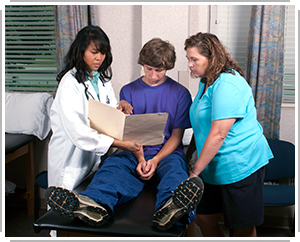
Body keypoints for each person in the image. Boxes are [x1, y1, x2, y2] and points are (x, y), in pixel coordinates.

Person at [46, 38, 204, 231]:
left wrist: (154, 161)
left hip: (167, 154)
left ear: (168, 67)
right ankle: (93, 204)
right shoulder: (128, 91)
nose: (153, 75)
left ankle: (170, 207)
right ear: (142, 65)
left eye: (160, 70)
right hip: (132, 151)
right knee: (112, 168)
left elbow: (176, 137)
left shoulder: (180, 93)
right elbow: (127, 132)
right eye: (148, 69)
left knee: (175, 173)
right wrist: (140, 158)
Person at [184, 32, 274, 237]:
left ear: (211, 58)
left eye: (194, 59)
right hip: (214, 166)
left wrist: (195, 172)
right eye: (188, 59)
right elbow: (201, 126)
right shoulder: (206, 82)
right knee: (204, 218)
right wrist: (190, 158)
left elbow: (217, 135)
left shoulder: (228, 84)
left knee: (242, 226)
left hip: (241, 165)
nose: (190, 64)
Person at [48, 25, 141, 191]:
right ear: (81, 51)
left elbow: (106, 114)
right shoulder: (69, 84)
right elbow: (78, 131)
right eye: (94, 52)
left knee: (88, 204)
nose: (99, 58)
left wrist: (119, 107)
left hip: (93, 159)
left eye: (103, 53)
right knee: (63, 210)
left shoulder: (102, 81)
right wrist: (120, 144)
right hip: (70, 160)